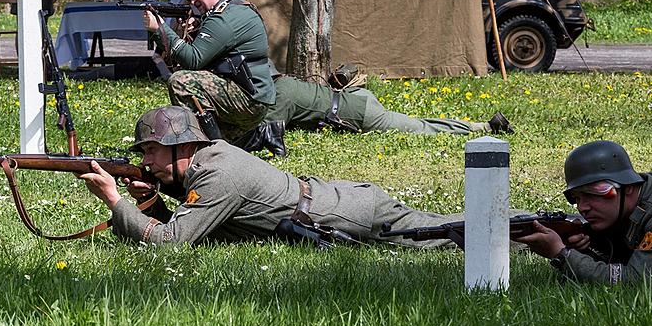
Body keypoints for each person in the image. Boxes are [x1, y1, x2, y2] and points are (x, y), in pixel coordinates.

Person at [77, 106, 459, 247]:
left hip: (350, 214)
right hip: (331, 202)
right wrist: (154, 200)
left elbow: (172, 241)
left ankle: (518, 228)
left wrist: (115, 200)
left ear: (183, 146)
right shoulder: (210, 159)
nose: (147, 160)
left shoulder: (217, 176)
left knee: (448, 235)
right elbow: (194, 218)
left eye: (152, 150)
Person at [516, 140, 652, 284]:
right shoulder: (636, 201)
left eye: (592, 194)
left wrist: (562, 255)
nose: (583, 207)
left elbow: (635, 281)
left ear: (627, 187)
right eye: (576, 198)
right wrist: (588, 248)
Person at [144, 0, 275, 141]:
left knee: (181, 82)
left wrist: (160, 29)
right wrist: (198, 27)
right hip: (254, 95)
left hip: (248, 99)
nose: (192, 1)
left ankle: (207, 147)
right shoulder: (235, 8)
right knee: (229, 141)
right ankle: (258, 136)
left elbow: (193, 60)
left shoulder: (224, 17)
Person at [238, 75, 513, 156]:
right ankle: (483, 125)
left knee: (421, 129)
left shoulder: (279, 97)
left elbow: (270, 139)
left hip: (359, 114)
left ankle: (484, 127)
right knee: (420, 124)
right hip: (354, 100)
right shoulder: (283, 85)